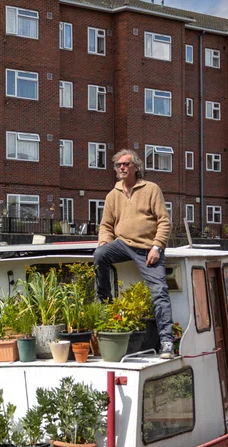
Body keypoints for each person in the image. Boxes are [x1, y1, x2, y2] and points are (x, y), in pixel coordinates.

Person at [94, 148, 175, 359]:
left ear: (136, 167)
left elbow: (164, 221)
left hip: (148, 248)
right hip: (122, 244)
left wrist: (157, 246)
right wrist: (105, 244)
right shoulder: (113, 195)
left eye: (125, 164)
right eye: (118, 165)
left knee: (159, 291)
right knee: (99, 255)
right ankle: (106, 302)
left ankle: (166, 341)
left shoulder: (151, 189)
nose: (121, 167)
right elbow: (106, 225)